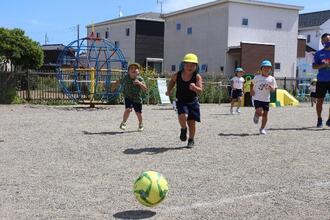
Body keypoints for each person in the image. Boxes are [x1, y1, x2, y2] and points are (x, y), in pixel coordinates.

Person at [166, 53, 203, 148]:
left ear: (196, 66)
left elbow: (200, 90)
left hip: (193, 102)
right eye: (187, 64)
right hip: (181, 100)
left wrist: (195, 88)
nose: (189, 67)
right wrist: (169, 90)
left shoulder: (197, 76)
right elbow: (172, 81)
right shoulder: (177, 75)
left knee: (192, 123)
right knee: (183, 115)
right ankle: (183, 129)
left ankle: (191, 140)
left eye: (192, 65)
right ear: (183, 65)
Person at [250, 60, 277, 135]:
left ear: (270, 69)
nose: (266, 69)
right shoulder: (257, 77)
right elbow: (252, 83)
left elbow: (273, 90)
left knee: (265, 115)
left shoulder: (272, 79)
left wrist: (271, 87)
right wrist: (251, 90)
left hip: (266, 99)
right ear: (261, 68)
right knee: (260, 112)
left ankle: (262, 129)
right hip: (257, 98)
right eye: (264, 67)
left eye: (268, 67)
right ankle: (256, 114)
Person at [119, 63, 147, 132]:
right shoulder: (126, 77)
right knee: (128, 109)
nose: (134, 70)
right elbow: (120, 81)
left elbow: (145, 89)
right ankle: (123, 122)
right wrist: (114, 86)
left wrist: (139, 83)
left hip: (137, 98)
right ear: (128, 72)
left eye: (135, 69)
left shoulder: (140, 79)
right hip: (128, 97)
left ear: (138, 72)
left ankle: (141, 124)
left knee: (138, 113)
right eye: (131, 69)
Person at [312, 33, 330, 127]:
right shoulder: (318, 53)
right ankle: (319, 119)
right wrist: (323, 65)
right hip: (321, 80)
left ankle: (329, 120)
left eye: (329, 40)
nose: (328, 42)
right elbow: (314, 66)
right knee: (320, 101)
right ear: (322, 41)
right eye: (326, 40)